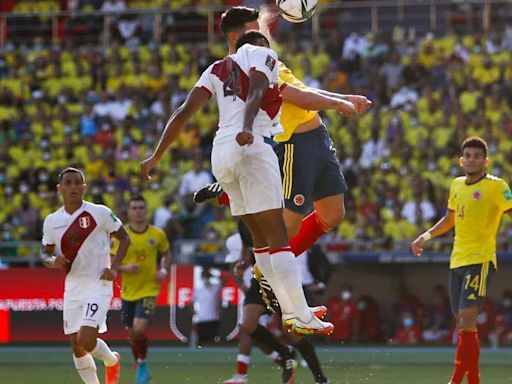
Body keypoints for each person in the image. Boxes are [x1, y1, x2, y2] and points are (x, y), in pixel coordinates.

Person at [141, 30, 333, 335]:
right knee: (278, 235)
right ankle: (301, 315)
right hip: (252, 144)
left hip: (221, 154)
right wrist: (246, 126)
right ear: (260, 44)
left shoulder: (215, 68)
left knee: (260, 240)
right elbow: (257, 87)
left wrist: (155, 156)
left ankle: (291, 310)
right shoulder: (263, 54)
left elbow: (184, 111)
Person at [193, 6, 372, 259]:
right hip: (294, 144)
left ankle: (234, 197)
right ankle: (264, 272)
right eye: (255, 30)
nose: (263, 34)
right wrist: (339, 103)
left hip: (316, 136)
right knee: (288, 225)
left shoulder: (266, 59)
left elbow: (302, 89)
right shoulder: (250, 67)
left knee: (333, 214)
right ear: (237, 38)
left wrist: (344, 97)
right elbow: (299, 97)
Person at [411, 136, 512, 384]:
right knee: (464, 326)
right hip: (457, 260)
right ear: (461, 160)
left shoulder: (497, 187)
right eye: (468, 156)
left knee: (467, 319)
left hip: (480, 259)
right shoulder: (456, 184)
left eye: (477, 156)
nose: (472, 160)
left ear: (485, 161)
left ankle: (455, 381)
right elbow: (449, 219)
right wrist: (425, 236)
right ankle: (474, 380)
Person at [40, 167, 131, 384]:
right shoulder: (51, 221)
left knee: (86, 339)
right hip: (73, 286)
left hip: (99, 283)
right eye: (68, 183)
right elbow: (45, 254)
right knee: (76, 344)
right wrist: (53, 262)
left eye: (76, 183)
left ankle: (111, 360)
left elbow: (124, 238)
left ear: (84, 187)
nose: (72, 187)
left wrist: (115, 268)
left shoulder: (99, 212)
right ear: (59, 189)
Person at [224, 221, 330, 384]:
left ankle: (320, 379)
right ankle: (285, 353)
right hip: (260, 279)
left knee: (293, 332)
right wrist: (243, 263)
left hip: (282, 279)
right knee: (248, 324)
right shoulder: (243, 221)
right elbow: (247, 249)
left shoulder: (270, 212)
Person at [111, 195, 171, 384]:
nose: (137, 211)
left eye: (141, 208)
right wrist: (124, 268)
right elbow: (111, 263)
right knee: (132, 334)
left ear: (147, 211)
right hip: (128, 291)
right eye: (134, 208)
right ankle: (139, 363)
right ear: (128, 212)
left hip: (149, 289)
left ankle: (142, 363)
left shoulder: (157, 234)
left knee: (139, 328)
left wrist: (164, 270)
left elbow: (166, 253)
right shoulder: (121, 236)